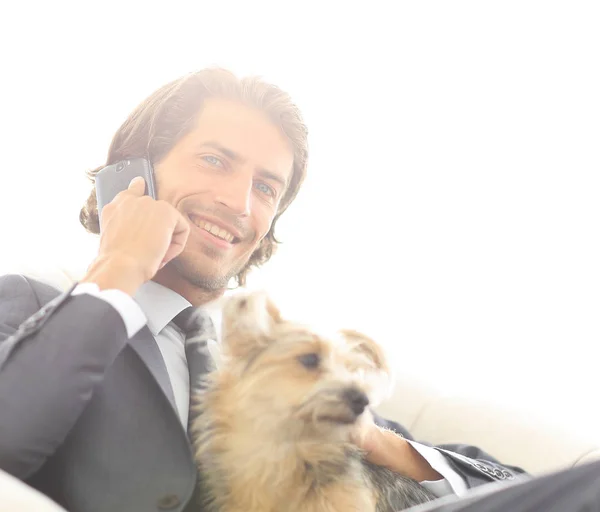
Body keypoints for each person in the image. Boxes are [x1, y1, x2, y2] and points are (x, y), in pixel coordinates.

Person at [0, 67, 595, 512]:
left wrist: (375, 441)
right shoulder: (31, 306)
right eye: (214, 160)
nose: (238, 202)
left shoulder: (283, 356)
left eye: (266, 187)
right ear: (133, 171)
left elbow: (518, 486)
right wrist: (119, 267)